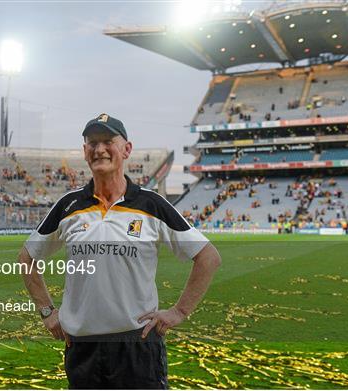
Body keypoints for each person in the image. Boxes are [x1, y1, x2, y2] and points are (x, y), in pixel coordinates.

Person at [18, 113, 221, 389]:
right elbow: (27, 258)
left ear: (126, 149)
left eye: (107, 141)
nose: (99, 149)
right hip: (82, 348)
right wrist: (47, 312)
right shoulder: (69, 206)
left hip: (137, 346)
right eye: (92, 143)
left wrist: (179, 312)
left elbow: (208, 257)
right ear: (85, 152)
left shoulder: (151, 204)